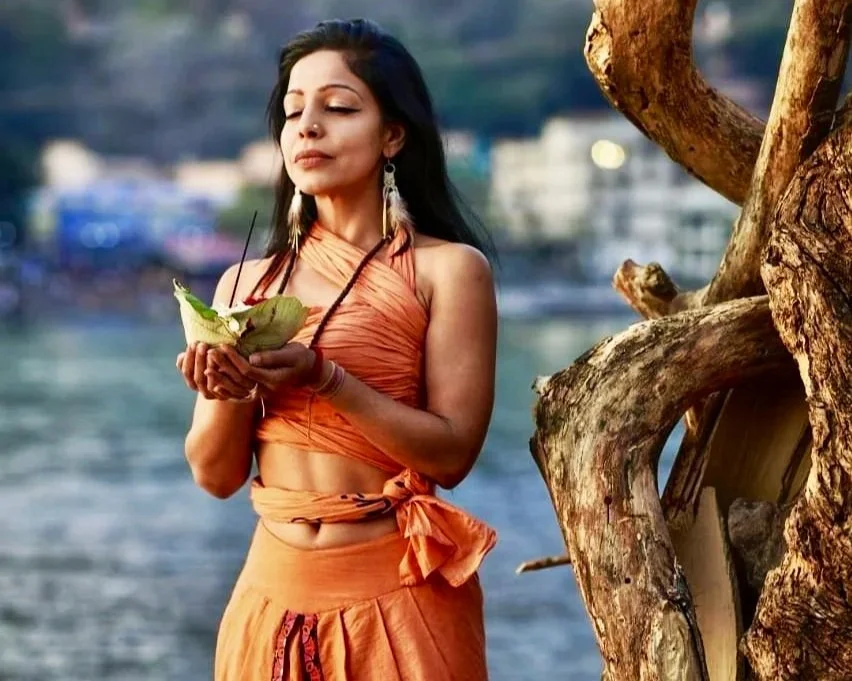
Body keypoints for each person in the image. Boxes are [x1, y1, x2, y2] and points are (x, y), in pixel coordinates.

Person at [176, 18, 498, 681]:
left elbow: (454, 453)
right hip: (268, 594)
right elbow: (215, 476)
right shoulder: (243, 284)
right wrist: (225, 391)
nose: (307, 127)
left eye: (338, 107)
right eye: (294, 111)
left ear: (393, 134)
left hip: (399, 598)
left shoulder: (449, 270)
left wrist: (326, 376)